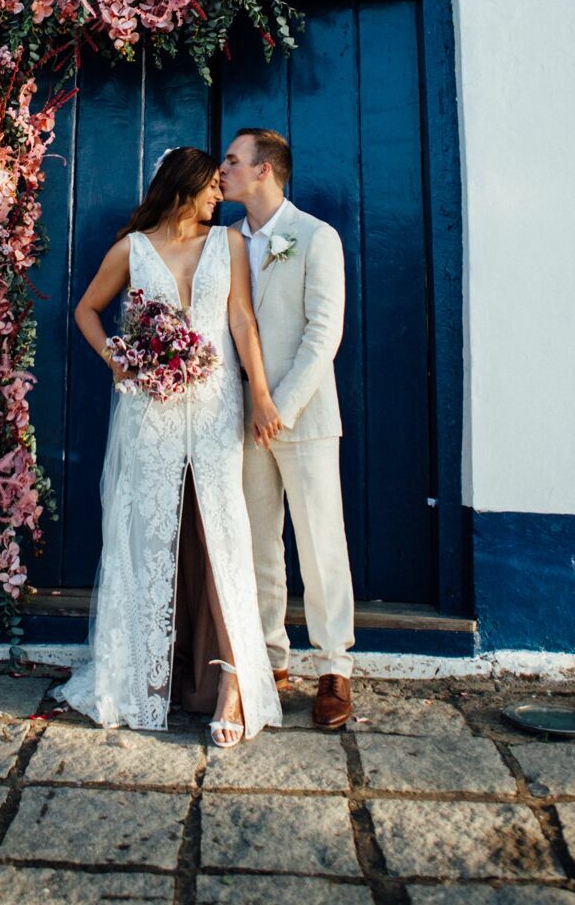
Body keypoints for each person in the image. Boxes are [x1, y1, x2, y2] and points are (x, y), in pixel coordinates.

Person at [53, 147, 283, 747]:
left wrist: (259, 393)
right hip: (148, 412)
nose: (218, 196)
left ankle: (232, 684)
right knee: (147, 532)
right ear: (183, 188)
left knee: (223, 533)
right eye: (210, 187)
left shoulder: (226, 245)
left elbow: (240, 322)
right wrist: (121, 362)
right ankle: (141, 679)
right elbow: (86, 310)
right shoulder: (132, 249)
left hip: (212, 409)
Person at [219, 127, 355, 730]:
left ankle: (334, 667)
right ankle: (270, 660)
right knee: (257, 543)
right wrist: (250, 405)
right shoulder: (223, 243)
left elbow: (324, 334)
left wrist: (280, 406)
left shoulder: (315, 237)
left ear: (265, 170)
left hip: (301, 418)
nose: (222, 169)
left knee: (321, 543)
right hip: (243, 421)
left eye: (232, 160)